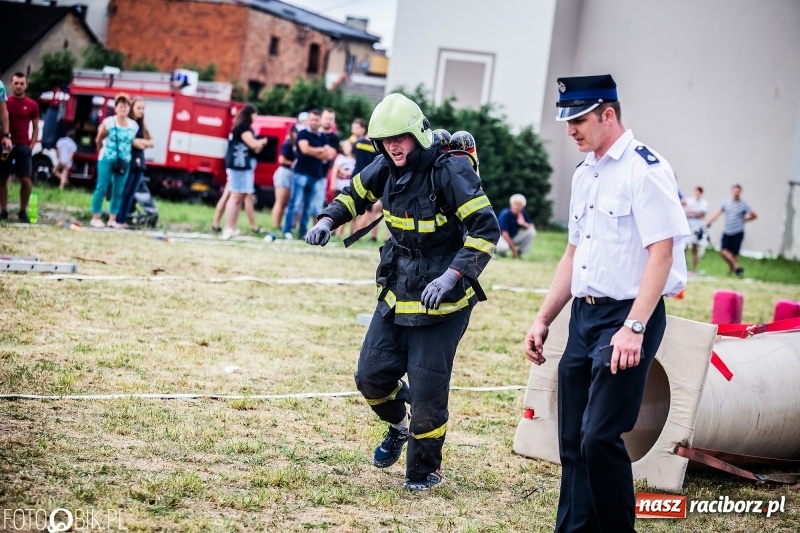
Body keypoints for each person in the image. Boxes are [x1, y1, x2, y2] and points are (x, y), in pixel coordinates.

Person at [305, 93, 500, 491]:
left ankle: (425, 471)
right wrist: (327, 220)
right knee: (370, 376)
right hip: (398, 287)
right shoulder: (385, 166)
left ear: (418, 134)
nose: (393, 146)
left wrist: (452, 276)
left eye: (400, 138)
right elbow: (353, 195)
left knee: (428, 392)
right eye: (386, 139)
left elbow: (486, 229)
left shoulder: (449, 171)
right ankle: (399, 426)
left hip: (443, 300)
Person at [523, 75, 689, 533]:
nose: (570, 130)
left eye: (578, 120)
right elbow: (572, 254)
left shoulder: (645, 169)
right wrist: (543, 318)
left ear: (608, 114)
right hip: (584, 315)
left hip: (628, 315)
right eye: (567, 121)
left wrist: (634, 327)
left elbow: (662, 254)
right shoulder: (586, 173)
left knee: (598, 436)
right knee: (572, 438)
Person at [281, 109, 336, 239]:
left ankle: (302, 232)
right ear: (309, 120)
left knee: (308, 207)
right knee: (295, 203)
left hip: (316, 175)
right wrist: (320, 150)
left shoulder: (323, 137)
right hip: (301, 173)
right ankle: (287, 230)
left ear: (319, 121)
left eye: (316, 120)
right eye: (312, 119)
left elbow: (329, 155)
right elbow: (305, 150)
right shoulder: (302, 133)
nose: (314, 122)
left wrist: (313, 151)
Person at [90, 93, 138, 228]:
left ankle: (113, 219)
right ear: (116, 108)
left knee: (118, 190)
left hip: (124, 161)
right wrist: (101, 151)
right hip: (107, 158)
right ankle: (96, 217)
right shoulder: (109, 122)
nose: (123, 109)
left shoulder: (133, 125)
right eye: (121, 106)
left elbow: (131, 142)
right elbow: (99, 139)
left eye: (126, 106)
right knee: (102, 187)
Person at [222, 104, 267, 239]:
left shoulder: (243, 127)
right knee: (235, 196)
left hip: (242, 165)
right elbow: (253, 144)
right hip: (238, 165)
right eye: (255, 114)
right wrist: (261, 142)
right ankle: (228, 228)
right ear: (250, 114)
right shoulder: (243, 128)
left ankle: (233, 227)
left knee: (240, 197)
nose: (256, 117)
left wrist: (258, 144)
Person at [0, 73, 39, 222]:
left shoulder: (32, 104)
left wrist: (31, 145)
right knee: (2, 179)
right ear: (11, 84)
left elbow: (36, 127)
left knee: (26, 180)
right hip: (6, 145)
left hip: (23, 146)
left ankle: (23, 210)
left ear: (26, 85)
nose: (18, 86)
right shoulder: (5, 102)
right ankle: (3, 210)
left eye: (22, 83)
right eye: (16, 83)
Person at [704, 183, 757, 278]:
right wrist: (708, 222)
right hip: (727, 231)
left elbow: (754, 215)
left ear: (740, 192)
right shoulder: (726, 203)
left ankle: (732, 273)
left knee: (734, 254)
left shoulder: (744, 204)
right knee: (723, 251)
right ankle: (737, 268)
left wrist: (745, 219)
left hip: (738, 231)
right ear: (732, 191)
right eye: (735, 191)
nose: (736, 193)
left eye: (738, 191)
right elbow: (717, 213)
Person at [116, 97, 154, 227]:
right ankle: (117, 218)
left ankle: (123, 221)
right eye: (139, 108)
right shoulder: (128, 123)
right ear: (132, 108)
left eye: (143, 108)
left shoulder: (142, 125)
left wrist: (141, 142)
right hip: (128, 160)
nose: (141, 111)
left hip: (140, 162)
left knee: (131, 193)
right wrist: (141, 143)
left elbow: (151, 142)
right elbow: (130, 141)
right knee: (124, 191)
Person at [351, 117, 381, 238]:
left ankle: (354, 233)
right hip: (371, 178)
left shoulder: (357, 143)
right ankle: (372, 236)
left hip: (356, 177)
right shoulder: (377, 145)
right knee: (370, 209)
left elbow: (352, 156)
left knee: (353, 206)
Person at [271, 125, 297, 230]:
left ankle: (280, 224)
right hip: (285, 173)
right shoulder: (287, 144)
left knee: (285, 202)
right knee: (280, 201)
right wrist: (294, 164)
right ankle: (276, 224)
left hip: (290, 173)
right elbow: (281, 160)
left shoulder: (295, 145)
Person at [495, 193, 537, 258]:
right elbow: (505, 234)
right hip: (501, 238)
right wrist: (513, 250)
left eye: (519, 205)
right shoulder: (505, 214)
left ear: (523, 206)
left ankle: (520, 252)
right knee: (504, 248)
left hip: (513, 236)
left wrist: (523, 224)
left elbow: (532, 226)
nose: (517, 207)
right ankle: (496, 252)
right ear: (511, 204)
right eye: (515, 204)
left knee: (532, 232)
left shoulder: (522, 213)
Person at [330, 139, 355, 237]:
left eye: (348, 146)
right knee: (337, 209)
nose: (347, 148)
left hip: (349, 188)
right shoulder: (340, 158)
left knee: (346, 210)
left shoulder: (354, 159)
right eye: (345, 147)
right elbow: (335, 170)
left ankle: (340, 233)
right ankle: (335, 231)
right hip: (339, 186)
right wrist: (332, 184)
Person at [683, 185, 708, 272]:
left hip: (696, 227)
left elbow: (702, 215)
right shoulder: (688, 200)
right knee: (684, 247)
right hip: (687, 226)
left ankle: (693, 269)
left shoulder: (704, 203)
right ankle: (684, 267)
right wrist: (695, 212)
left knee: (694, 247)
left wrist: (693, 211)